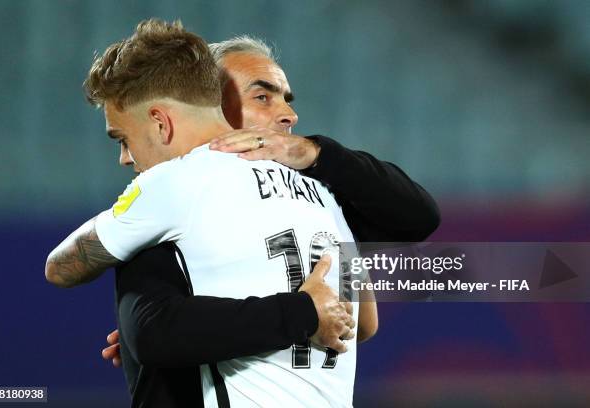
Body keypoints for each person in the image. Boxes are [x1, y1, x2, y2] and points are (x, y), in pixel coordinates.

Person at [45, 19, 374, 407]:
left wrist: (115, 220)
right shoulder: (319, 190)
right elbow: (363, 321)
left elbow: (60, 268)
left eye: (124, 138)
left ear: (160, 122)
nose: (126, 158)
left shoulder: (171, 182)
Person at [102, 35, 441, 368]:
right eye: (262, 97)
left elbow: (365, 316)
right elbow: (153, 332)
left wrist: (317, 152)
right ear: (207, 107)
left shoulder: (313, 190)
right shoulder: (175, 193)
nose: (289, 115)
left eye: (285, 98)